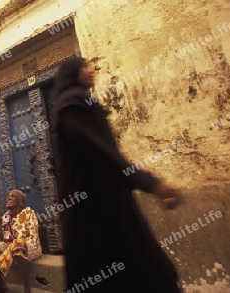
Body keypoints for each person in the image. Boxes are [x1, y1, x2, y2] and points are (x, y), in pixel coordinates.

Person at [51, 56, 182, 293]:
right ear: (73, 73)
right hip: (94, 210)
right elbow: (103, 154)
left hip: (108, 201)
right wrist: (151, 184)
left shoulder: (79, 103)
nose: (91, 70)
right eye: (84, 67)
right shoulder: (71, 106)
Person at [0, 189, 42, 293]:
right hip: (11, 246)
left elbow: (33, 236)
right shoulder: (6, 217)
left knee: (18, 243)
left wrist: (12, 248)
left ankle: (27, 289)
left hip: (31, 246)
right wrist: (10, 249)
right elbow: (7, 240)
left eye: (13, 196)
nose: (9, 198)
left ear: (21, 202)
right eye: (8, 196)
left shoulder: (29, 212)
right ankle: (0, 283)